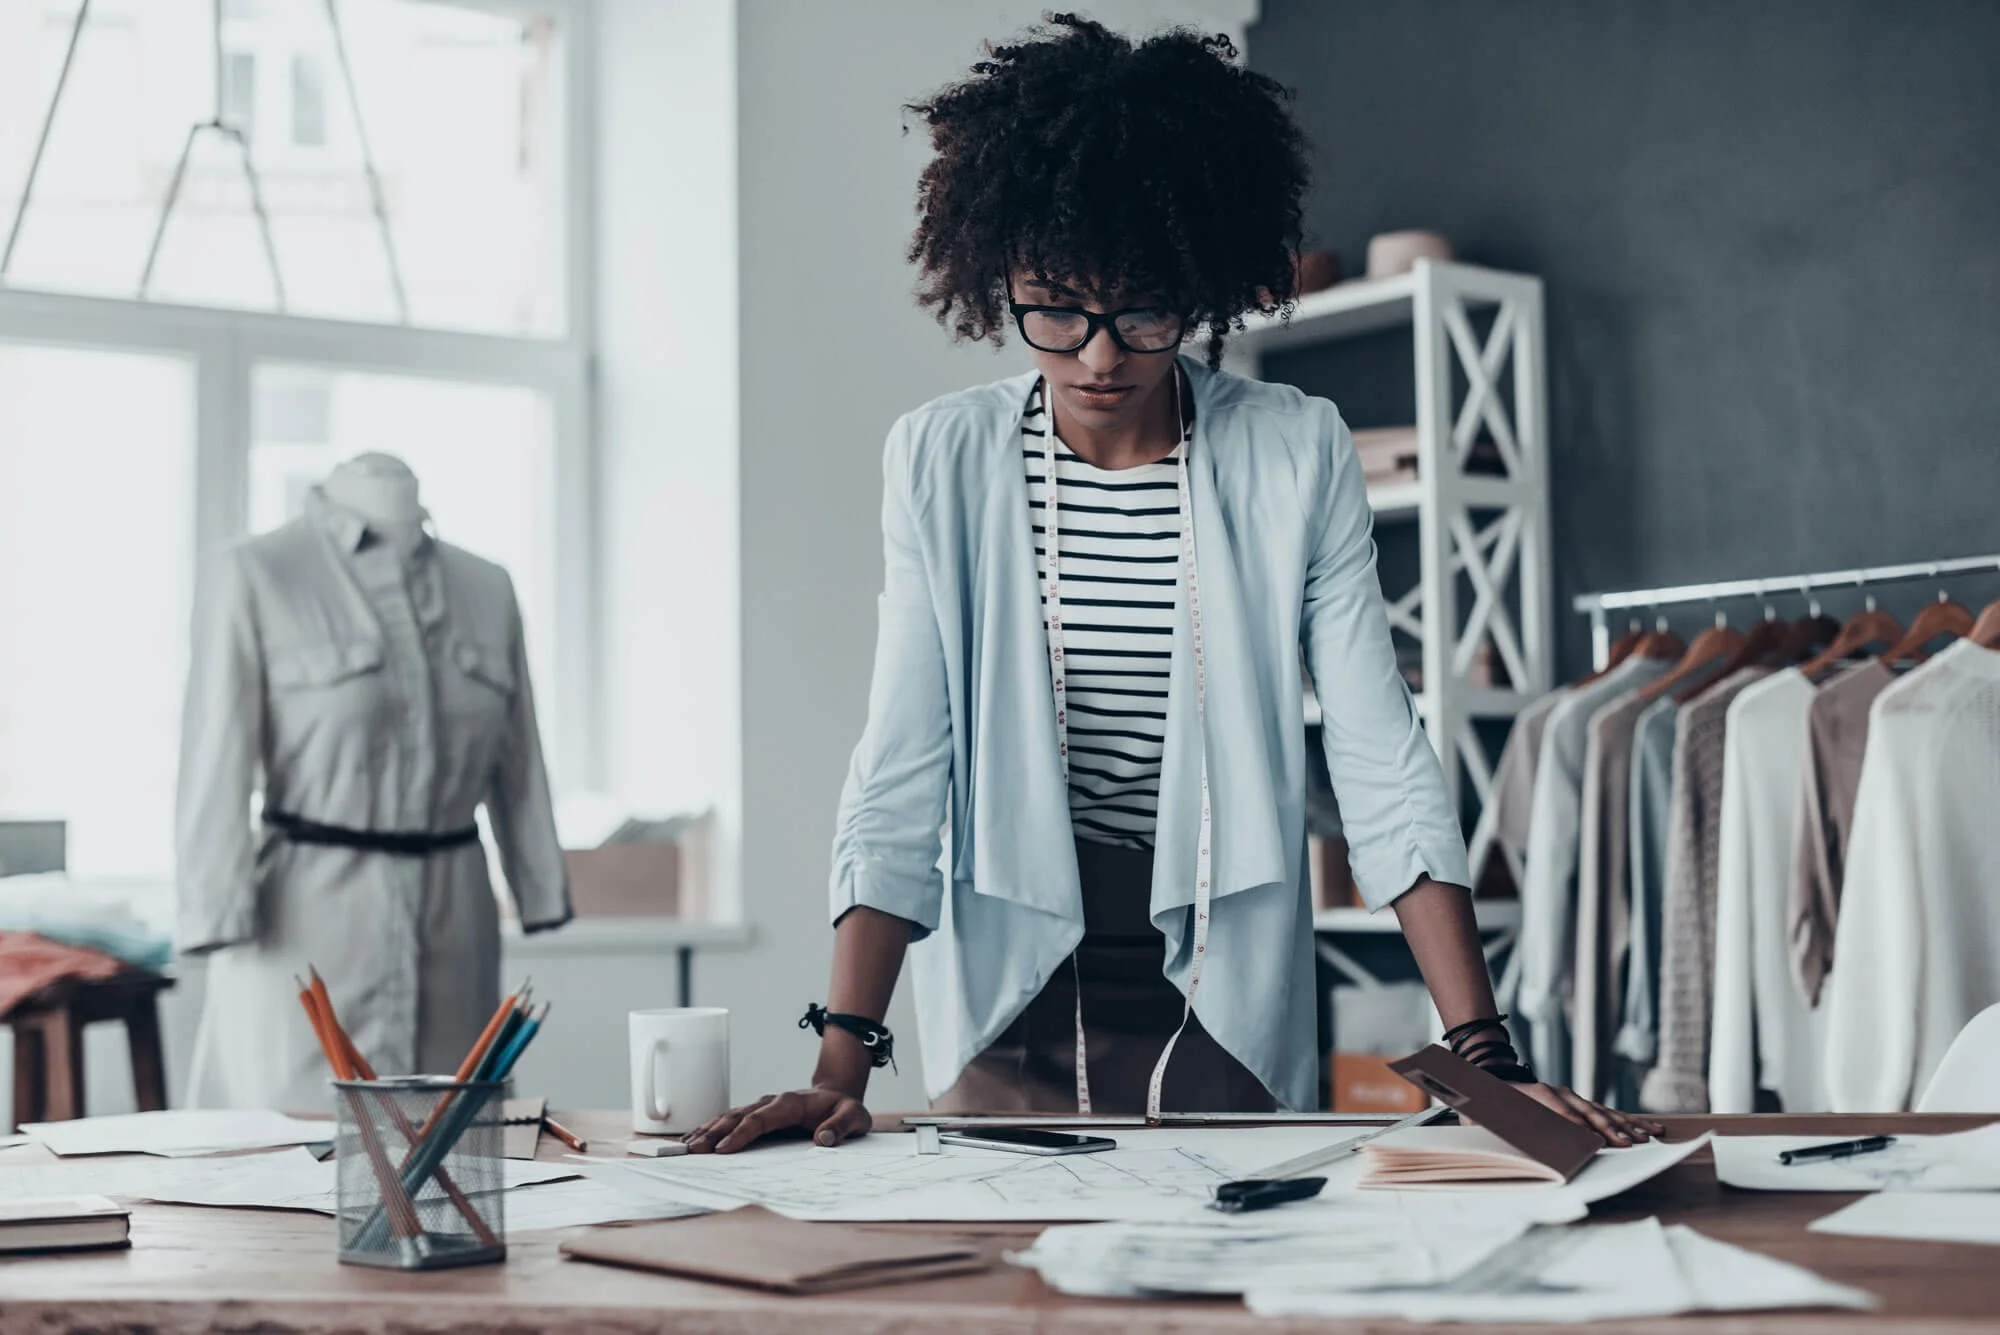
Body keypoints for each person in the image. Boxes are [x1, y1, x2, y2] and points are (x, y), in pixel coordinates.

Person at [690, 14, 1660, 1152]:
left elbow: (1378, 759)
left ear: (1198, 285)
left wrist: (1485, 1064)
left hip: (1224, 992)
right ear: (996, 275)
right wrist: (839, 1061)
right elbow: (903, 768)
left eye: (1142, 307)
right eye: (1055, 306)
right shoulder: (940, 459)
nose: (1099, 354)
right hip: (1010, 992)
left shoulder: (1292, 450)